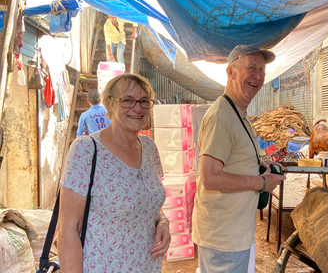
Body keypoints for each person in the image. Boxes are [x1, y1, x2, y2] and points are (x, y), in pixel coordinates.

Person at [58, 73, 170, 272]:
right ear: (109, 104)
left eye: (145, 101)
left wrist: (162, 221)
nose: (138, 108)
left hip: (148, 267)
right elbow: (68, 230)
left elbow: (146, 201)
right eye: (128, 100)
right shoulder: (86, 150)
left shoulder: (149, 147)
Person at [192, 44, 286, 272]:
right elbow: (211, 178)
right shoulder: (222, 117)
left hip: (232, 233)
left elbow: (231, 159)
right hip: (224, 236)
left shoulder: (237, 113)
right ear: (231, 72)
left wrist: (258, 165)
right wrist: (262, 182)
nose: (258, 76)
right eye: (251, 68)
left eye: (262, 70)